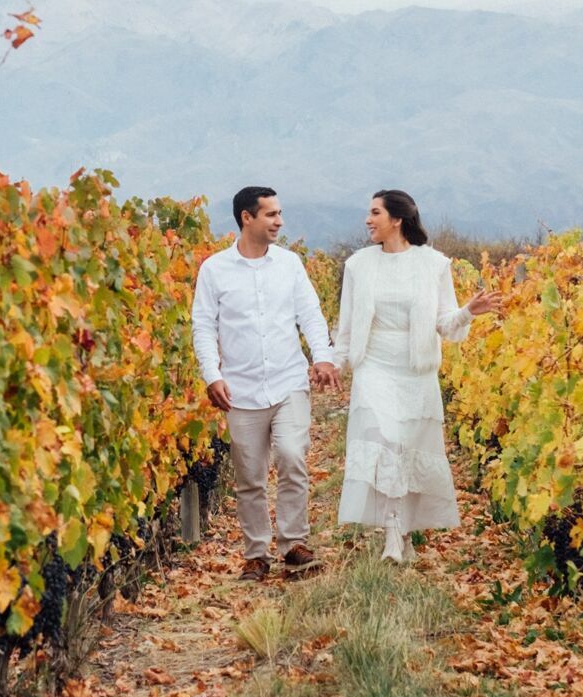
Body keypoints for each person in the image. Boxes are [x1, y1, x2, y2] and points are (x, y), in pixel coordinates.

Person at [332, 190, 502, 563]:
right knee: (386, 444)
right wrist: (334, 364)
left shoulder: (433, 264)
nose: (367, 219)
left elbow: (444, 323)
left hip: (415, 369)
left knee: (407, 450)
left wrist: (468, 312)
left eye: (374, 212)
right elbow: (346, 327)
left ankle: (403, 532)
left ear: (397, 219)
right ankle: (392, 535)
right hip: (374, 365)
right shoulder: (358, 265)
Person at [192, 186, 339, 581]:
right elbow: (203, 326)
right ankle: (256, 554)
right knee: (250, 476)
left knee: (292, 456)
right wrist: (213, 374)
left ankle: (293, 544)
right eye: (271, 214)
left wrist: (322, 355)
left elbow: (310, 312)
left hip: (289, 380)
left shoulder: (289, 265)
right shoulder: (214, 270)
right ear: (247, 218)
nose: (280, 221)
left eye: (279, 213)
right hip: (240, 390)